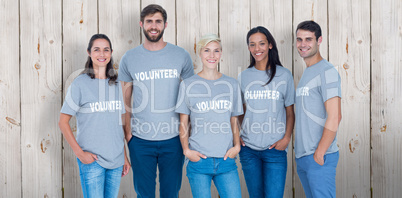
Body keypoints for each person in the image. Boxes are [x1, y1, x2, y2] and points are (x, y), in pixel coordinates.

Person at [118, 4, 194, 198]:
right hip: (140, 141)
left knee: (171, 193)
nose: (154, 26)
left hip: (174, 140)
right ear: (141, 24)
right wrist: (128, 135)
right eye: (149, 21)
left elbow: (192, 98)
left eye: (158, 21)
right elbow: (124, 100)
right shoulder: (130, 58)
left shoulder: (181, 55)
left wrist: (188, 134)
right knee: (144, 194)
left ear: (165, 24)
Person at [59, 34, 131, 198]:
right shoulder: (80, 84)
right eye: (96, 49)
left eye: (106, 50)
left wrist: (124, 157)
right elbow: (63, 122)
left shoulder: (117, 83)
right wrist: (80, 154)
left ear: (111, 52)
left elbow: (118, 124)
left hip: (116, 161)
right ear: (89, 53)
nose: (102, 54)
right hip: (92, 161)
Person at [176, 33, 243, 198]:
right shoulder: (188, 85)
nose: (211, 56)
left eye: (216, 51)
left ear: (221, 54)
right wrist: (186, 150)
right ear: (200, 53)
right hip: (199, 160)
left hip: (226, 160)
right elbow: (184, 123)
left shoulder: (232, 84)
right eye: (207, 50)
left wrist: (237, 147)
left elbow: (234, 120)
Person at [237, 26, 295, 198]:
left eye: (261, 43)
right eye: (252, 44)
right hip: (248, 150)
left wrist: (286, 139)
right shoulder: (244, 76)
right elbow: (240, 110)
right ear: (248, 47)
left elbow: (290, 112)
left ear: (270, 45)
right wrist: (238, 135)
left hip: (275, 149)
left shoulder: (284, 75)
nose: (257, 49)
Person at [294, 20, 342, 198]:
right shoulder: (308, 71)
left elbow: (335, 115)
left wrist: (320, 152)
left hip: (319, 156)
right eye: (299, 39)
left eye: (308, 39)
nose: (303, 44)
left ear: (319, 40)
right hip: (304, 156)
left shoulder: (326, 71)